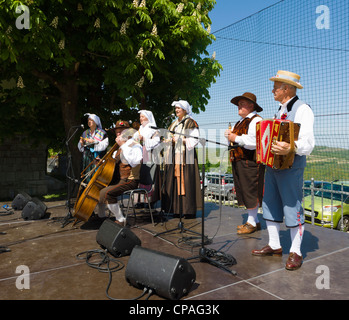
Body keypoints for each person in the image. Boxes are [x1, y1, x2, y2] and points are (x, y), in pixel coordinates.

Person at [252, 70, 315, 271]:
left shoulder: (303, 109)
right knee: (270, 203)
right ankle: (275, 245)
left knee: (292, 206)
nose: (272, 90)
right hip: (273, 166)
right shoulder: (279, 110)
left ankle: (296, 251)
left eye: (276, 87)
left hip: (291, 167)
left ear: (286, 89)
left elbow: (308, 142)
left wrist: (291, 147)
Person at [225, 92, 265, 234]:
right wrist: (231, 137)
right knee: (244, 190)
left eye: (242, 104)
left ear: (251, 105)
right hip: (240, 161)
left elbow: (255, 142)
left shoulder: (256, 120)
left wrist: (235, 137)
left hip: (250, 162)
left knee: (250, 191)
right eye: (239, 104)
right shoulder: (240, 122)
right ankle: (254, 221)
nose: (239, 107)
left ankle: (252, 222)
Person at [95, 121, 143, 226]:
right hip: (118, 179)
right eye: (117, 132)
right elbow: (111, 163)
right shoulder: (117, 149)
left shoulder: (135, 146)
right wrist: (101, 162)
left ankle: (121, 219)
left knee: (107, 193)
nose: (118, 134)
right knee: (97, 188)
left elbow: (135, 163)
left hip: (130, 180)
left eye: (121, 132)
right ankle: (101, 216)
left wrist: (123, 146)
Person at [161, 100, 202, 219]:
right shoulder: (174, 124)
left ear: (185, 110)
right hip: (174, 156)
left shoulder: (190, 122)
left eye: (179, 108)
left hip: (186, 156)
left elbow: (194, 140)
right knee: (174, 181)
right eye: (176, 108)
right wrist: (167, 141)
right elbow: (170, 137)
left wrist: (179, 140)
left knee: (186, 182)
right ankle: (177, 209)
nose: (176, 110)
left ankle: (188, 210)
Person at [132, 110, 160, 200]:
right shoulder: (140, 129)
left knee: (148, 176)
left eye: (143, 117)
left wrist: (144, 139)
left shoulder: (153, 128)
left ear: (148, 117)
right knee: (140, 176)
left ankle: (149, 201)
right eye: (140, 117)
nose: (141, 119)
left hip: (150, 154)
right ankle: (139, 201)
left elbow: (157, 142)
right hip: (140, 154)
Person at [78, 113, 109, 181]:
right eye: (88, 120)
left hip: (98, 158)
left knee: (96, 177)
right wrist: (81, 144)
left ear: (96, 122)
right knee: (87, 177)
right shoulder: (85, 133)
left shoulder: (102, 133)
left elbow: (105, 145)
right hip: (87, 158)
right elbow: (81, 148)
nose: (89, 121)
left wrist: (94, 142)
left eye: (91, 120)